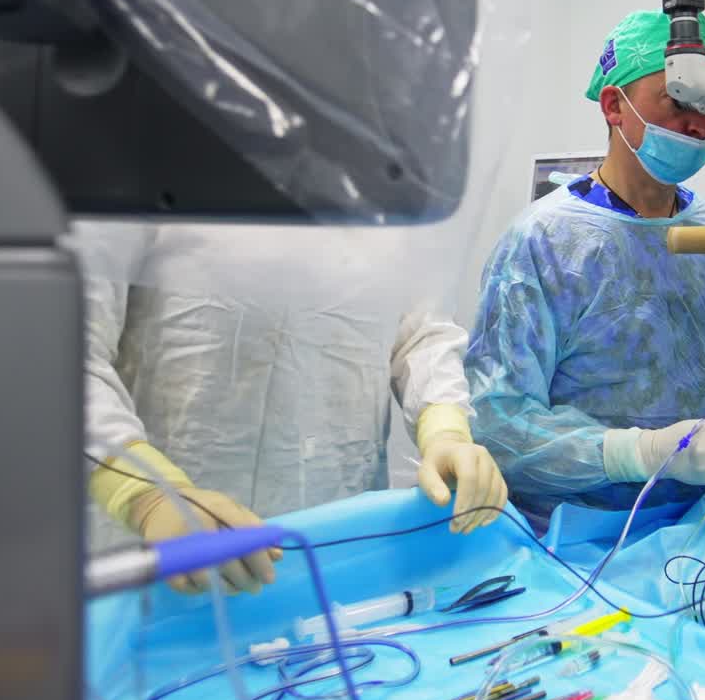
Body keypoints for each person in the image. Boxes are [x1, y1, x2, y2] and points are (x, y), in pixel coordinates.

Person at [466, 10, 705, 529]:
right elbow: (499, 423)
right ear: (614, 106)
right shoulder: (544, 245)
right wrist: (641, 454)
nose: (698, 122)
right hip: (581, 543)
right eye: (676, 101)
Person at [81, 222, 508, 592]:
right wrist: (145, 494)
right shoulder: (137, 151)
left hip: (335, 535)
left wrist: (445, 428)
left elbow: (422, 333)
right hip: (162, 547)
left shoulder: (391, 174)